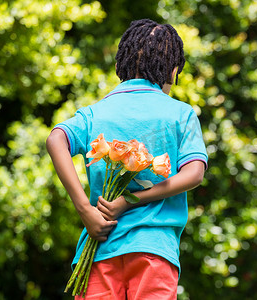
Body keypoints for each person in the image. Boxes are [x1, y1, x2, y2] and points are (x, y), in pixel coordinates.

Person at [46, 19, 208, 300]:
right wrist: (134, 200)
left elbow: (55, 139)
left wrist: (86, 210)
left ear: (122, 62)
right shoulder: (180, 114)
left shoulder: (96, 112)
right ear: (172, 71)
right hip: (154, 250)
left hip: (98, 250)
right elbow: (194, 173)